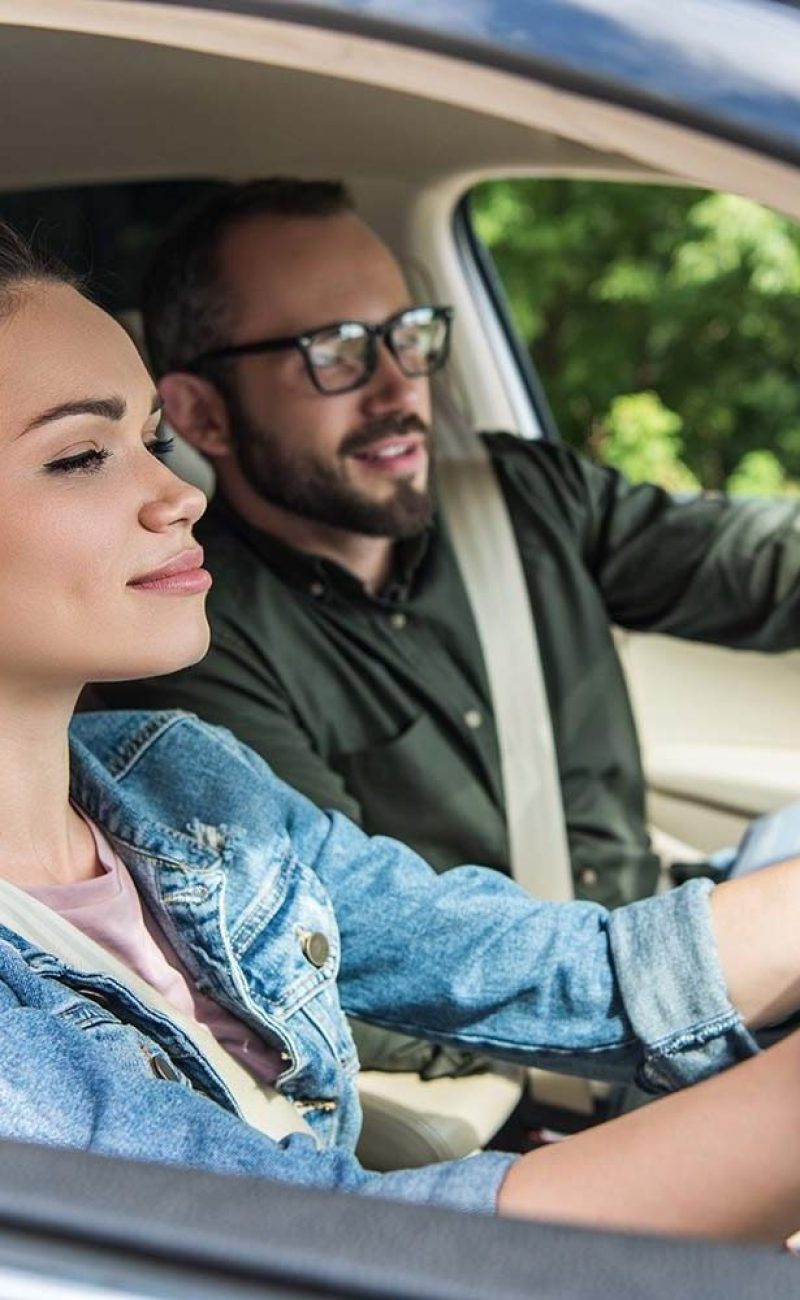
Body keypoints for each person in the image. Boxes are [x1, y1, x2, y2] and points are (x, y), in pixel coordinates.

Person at [5, 215, 800, 1243]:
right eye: (79, 457)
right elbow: (316, 1245)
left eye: (148, 440)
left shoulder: (179, 787)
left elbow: (564, 970)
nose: (174, 495)